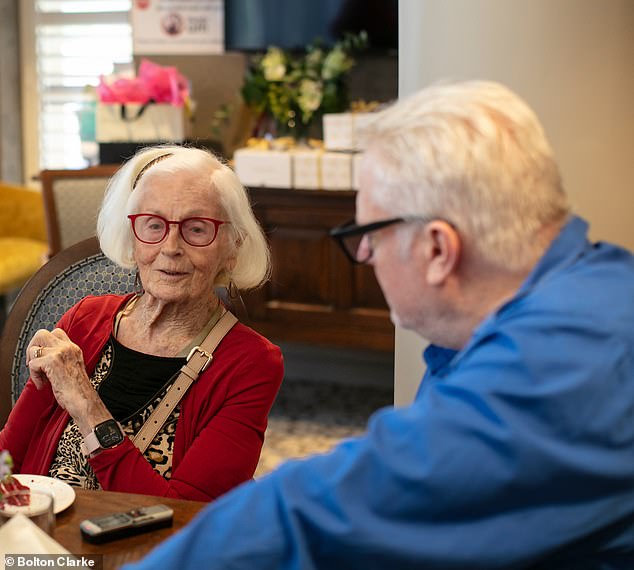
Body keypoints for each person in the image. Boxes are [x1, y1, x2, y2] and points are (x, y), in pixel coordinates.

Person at [124, 81, 634, 568]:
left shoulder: (564, 366)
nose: (364, 254)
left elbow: (320, 514)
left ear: (437, 249)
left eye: (370, 232)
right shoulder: (582, 290)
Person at [0, 146, 284, 501]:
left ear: (233, 247)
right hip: (43, 542)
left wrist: (87, 404)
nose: (171, 247)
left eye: (197, 229)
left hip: (142, 554)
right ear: (133, 240)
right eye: (154, 225)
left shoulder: (250, 363)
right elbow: (6, 456)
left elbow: (183, 519)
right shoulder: (84, 319)